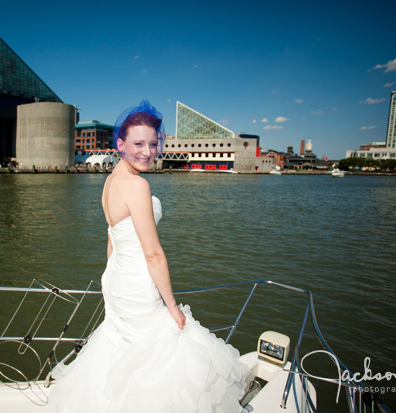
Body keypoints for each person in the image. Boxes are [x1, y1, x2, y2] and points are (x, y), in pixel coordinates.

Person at [49, 100, 248, 412]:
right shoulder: (136, 185)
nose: (147, 151)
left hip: (116, 281)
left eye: (153, 144)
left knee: (122, 349)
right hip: (137, 284)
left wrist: (109, 277)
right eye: (138, 143)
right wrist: (172, 307)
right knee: (168, 344)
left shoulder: (109, 182)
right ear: (121, 144)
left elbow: (111, 238)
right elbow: (153, 254)